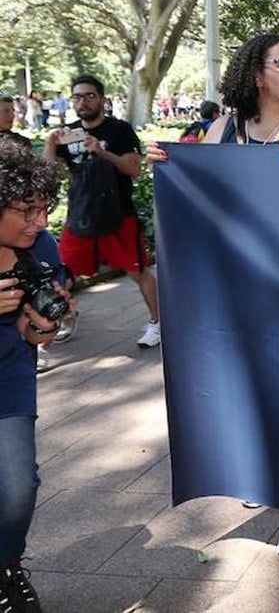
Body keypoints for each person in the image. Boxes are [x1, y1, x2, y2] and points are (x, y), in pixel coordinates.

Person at [148, 33, 279, 558]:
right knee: (256, 388)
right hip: (242, 289)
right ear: (257, 75)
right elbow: (206, 198)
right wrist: (171, 167)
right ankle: (264, 474)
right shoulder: (224, 130)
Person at [0, 141, 71, 612]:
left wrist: (42, 329)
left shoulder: (41, 247)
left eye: (44, 209)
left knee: (18, 485)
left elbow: (42, 325)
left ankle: (7, 566)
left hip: (9, 375)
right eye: (27, 211)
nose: (40, 223)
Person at [44, 75, 161, 348]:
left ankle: (157, 323)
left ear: (102, 99)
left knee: (138, 271)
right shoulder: (67, 133)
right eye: (77, 96)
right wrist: (50, 144)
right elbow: (47, 175)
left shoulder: (119, 130)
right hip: (81, 216)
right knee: (61, 272)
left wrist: (101, 152)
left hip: (118, 215)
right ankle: (67, 315)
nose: (82, 101)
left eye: (89, 96)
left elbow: (133, 169)